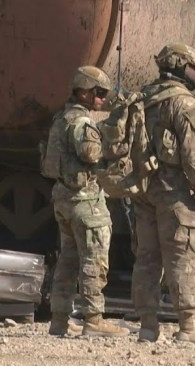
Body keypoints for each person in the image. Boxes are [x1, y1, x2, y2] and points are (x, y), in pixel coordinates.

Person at [130, 43, 195, 344]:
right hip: (175, 192)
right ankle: (188, 327)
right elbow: (193, 160)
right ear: (180, 65)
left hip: (144, 190)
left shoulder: (145, 96)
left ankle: (147, 326)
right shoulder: (185, 103)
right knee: (186, 255)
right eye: (194, 67)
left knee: (147, 257)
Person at [45, 66, 129, 337]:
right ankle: (93, 320)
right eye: (99, 93)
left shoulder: (62, 118)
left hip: (64, 198)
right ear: (83, 92)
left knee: (67, 260)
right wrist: (114, 138)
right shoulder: (82, 123)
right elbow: (93, 154)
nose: (102, 98)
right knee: (94, 261)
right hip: (85, 201)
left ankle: (58, 320)